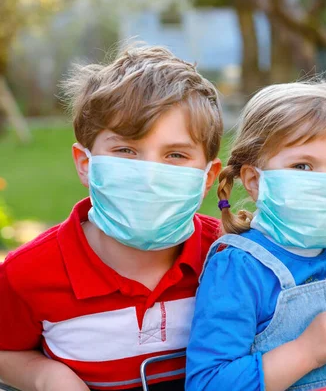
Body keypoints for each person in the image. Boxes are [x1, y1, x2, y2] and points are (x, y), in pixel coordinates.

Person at [0, 45, 223, 391]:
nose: (149, 175)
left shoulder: (231, 255)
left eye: (176, 154)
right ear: (85, 163)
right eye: (126, 150)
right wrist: (47, 376)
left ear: (208, 177)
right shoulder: (24, 275)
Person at [185, 82, 326, 391]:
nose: (325, 183)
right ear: (255, 181)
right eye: (303, 166)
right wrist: (305, 352)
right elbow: (208, 384)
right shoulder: (238, 266)